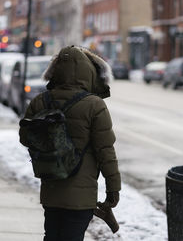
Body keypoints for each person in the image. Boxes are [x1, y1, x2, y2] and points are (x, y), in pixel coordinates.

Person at [19, 45, 121, 241]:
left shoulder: (40, 101)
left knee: (52, 236)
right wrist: (113, 188)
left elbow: (25, 138)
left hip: (51, 190)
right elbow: (105, 151)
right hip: (81, 197)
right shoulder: (94, 105)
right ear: (89, 73)